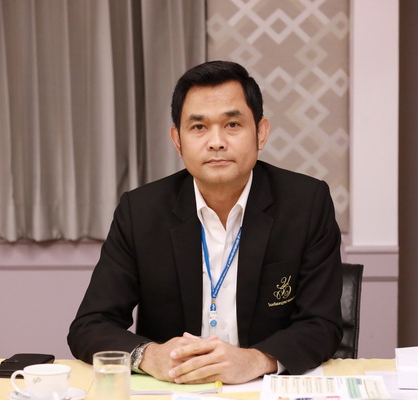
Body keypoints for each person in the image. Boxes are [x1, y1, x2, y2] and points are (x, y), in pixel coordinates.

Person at [67, 60, 343, 385]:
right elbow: (90, 325)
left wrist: (255, 360)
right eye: (199, 127)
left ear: (261, 133)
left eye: (232, 124)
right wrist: (149, 356)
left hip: (262, 386)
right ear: (177, 140)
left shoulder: (306, 204)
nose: (216, 142)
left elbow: (322, 324)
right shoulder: (141, 211)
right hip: (174, 387)